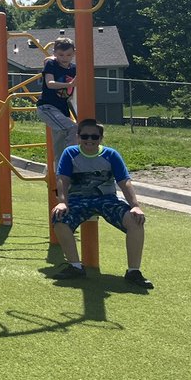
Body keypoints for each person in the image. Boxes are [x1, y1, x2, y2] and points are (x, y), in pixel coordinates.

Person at [50, 119, 152, 289]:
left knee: (136, 220)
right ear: (77, 136)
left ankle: (134, 271)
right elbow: (63, 180)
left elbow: (124, 182)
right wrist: (62, 202)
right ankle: (75, 266)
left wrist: (135, 205)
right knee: (59, 218)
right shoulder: (70, 154)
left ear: (101, 138)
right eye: (84, 136)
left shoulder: (111, 155)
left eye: (94, 137)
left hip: (107, 199)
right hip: (78, 200)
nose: (89, 140)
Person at [37, 37, 78, 161]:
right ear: (55, 53)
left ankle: (60, 172)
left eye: (68, 55)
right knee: (72, 128)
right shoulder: (52, 64)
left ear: (74, 53)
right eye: (61, 55)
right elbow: (50, 83)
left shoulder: (74, 68)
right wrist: (70, 85)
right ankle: (72, 159)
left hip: (62, 110)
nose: (64, 58)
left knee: (60, 140)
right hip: (47, 107)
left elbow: (72, 94)